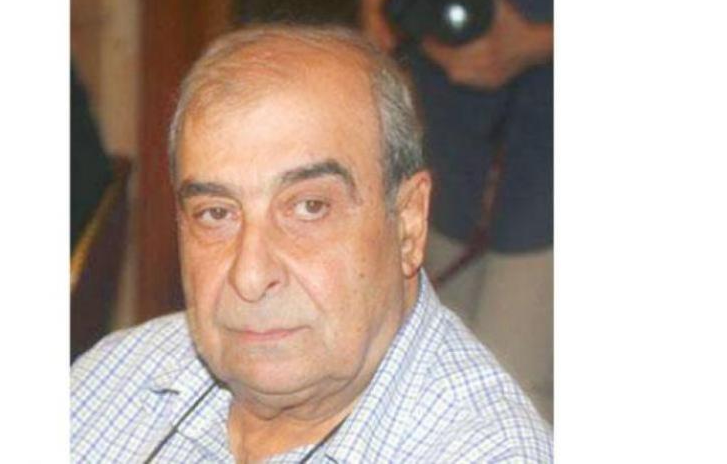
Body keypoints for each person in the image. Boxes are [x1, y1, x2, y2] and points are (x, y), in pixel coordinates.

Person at [71, 25, 552, 463]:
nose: (250, 276)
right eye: (216, 213)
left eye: (309, 207)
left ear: (408, 222)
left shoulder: (484, 453)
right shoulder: (118, 377)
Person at [361, 0, 554, 421]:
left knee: (511, 393)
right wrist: (382, 12)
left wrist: (539, 41)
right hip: (443, 162)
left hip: (545, 182)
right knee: (426, 375)